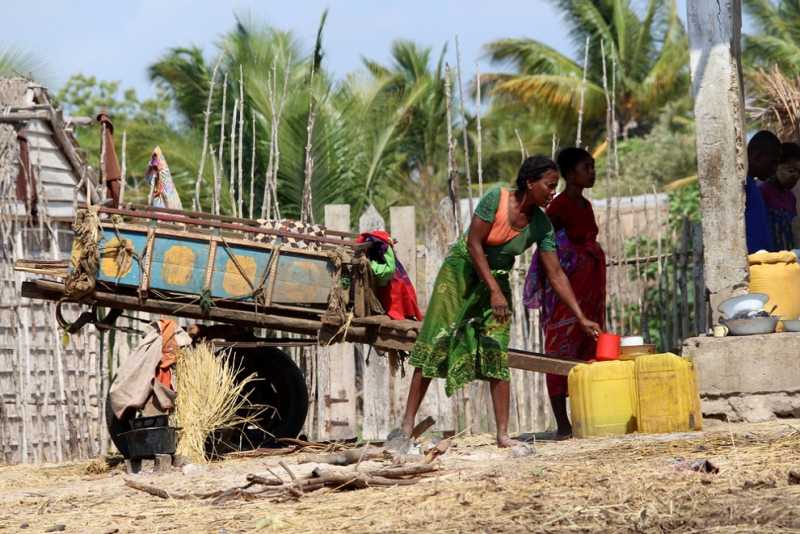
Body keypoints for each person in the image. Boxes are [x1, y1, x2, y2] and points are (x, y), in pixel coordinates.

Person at [398, 155, 600, 448]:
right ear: (530, 183)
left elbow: (556, 274)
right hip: (461, 273)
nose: (552, 192)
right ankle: (406, 425)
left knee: (497, 347)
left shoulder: (541, 224)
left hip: (497, 281)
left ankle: (503, 435)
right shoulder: (497, 198)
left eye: (555, 187)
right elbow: (474, 243)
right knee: (436, 341)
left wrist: (581, 317)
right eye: (549, 186)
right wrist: (494, 291)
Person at [523, 147, 606, 439]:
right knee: (560, 351)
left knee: (589, 348)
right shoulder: (557, 207)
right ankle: (563, 424)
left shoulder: (585, 206)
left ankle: (587, 417)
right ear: (571, 173)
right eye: (587, 167)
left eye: (593, 167)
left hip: (591, 288)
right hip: (565, 290)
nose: (592, 172)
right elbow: (549, 251)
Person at [759, 142, 800, 251]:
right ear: (776, 166)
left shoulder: (791, 198)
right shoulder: (763, 192)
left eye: (799, 172)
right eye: (791, 170)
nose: (795, 176)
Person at [746, 131, 780, 253]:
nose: (775, 168)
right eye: (773, 162)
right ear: (757, 156)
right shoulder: (742, 185)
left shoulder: (753, 187)